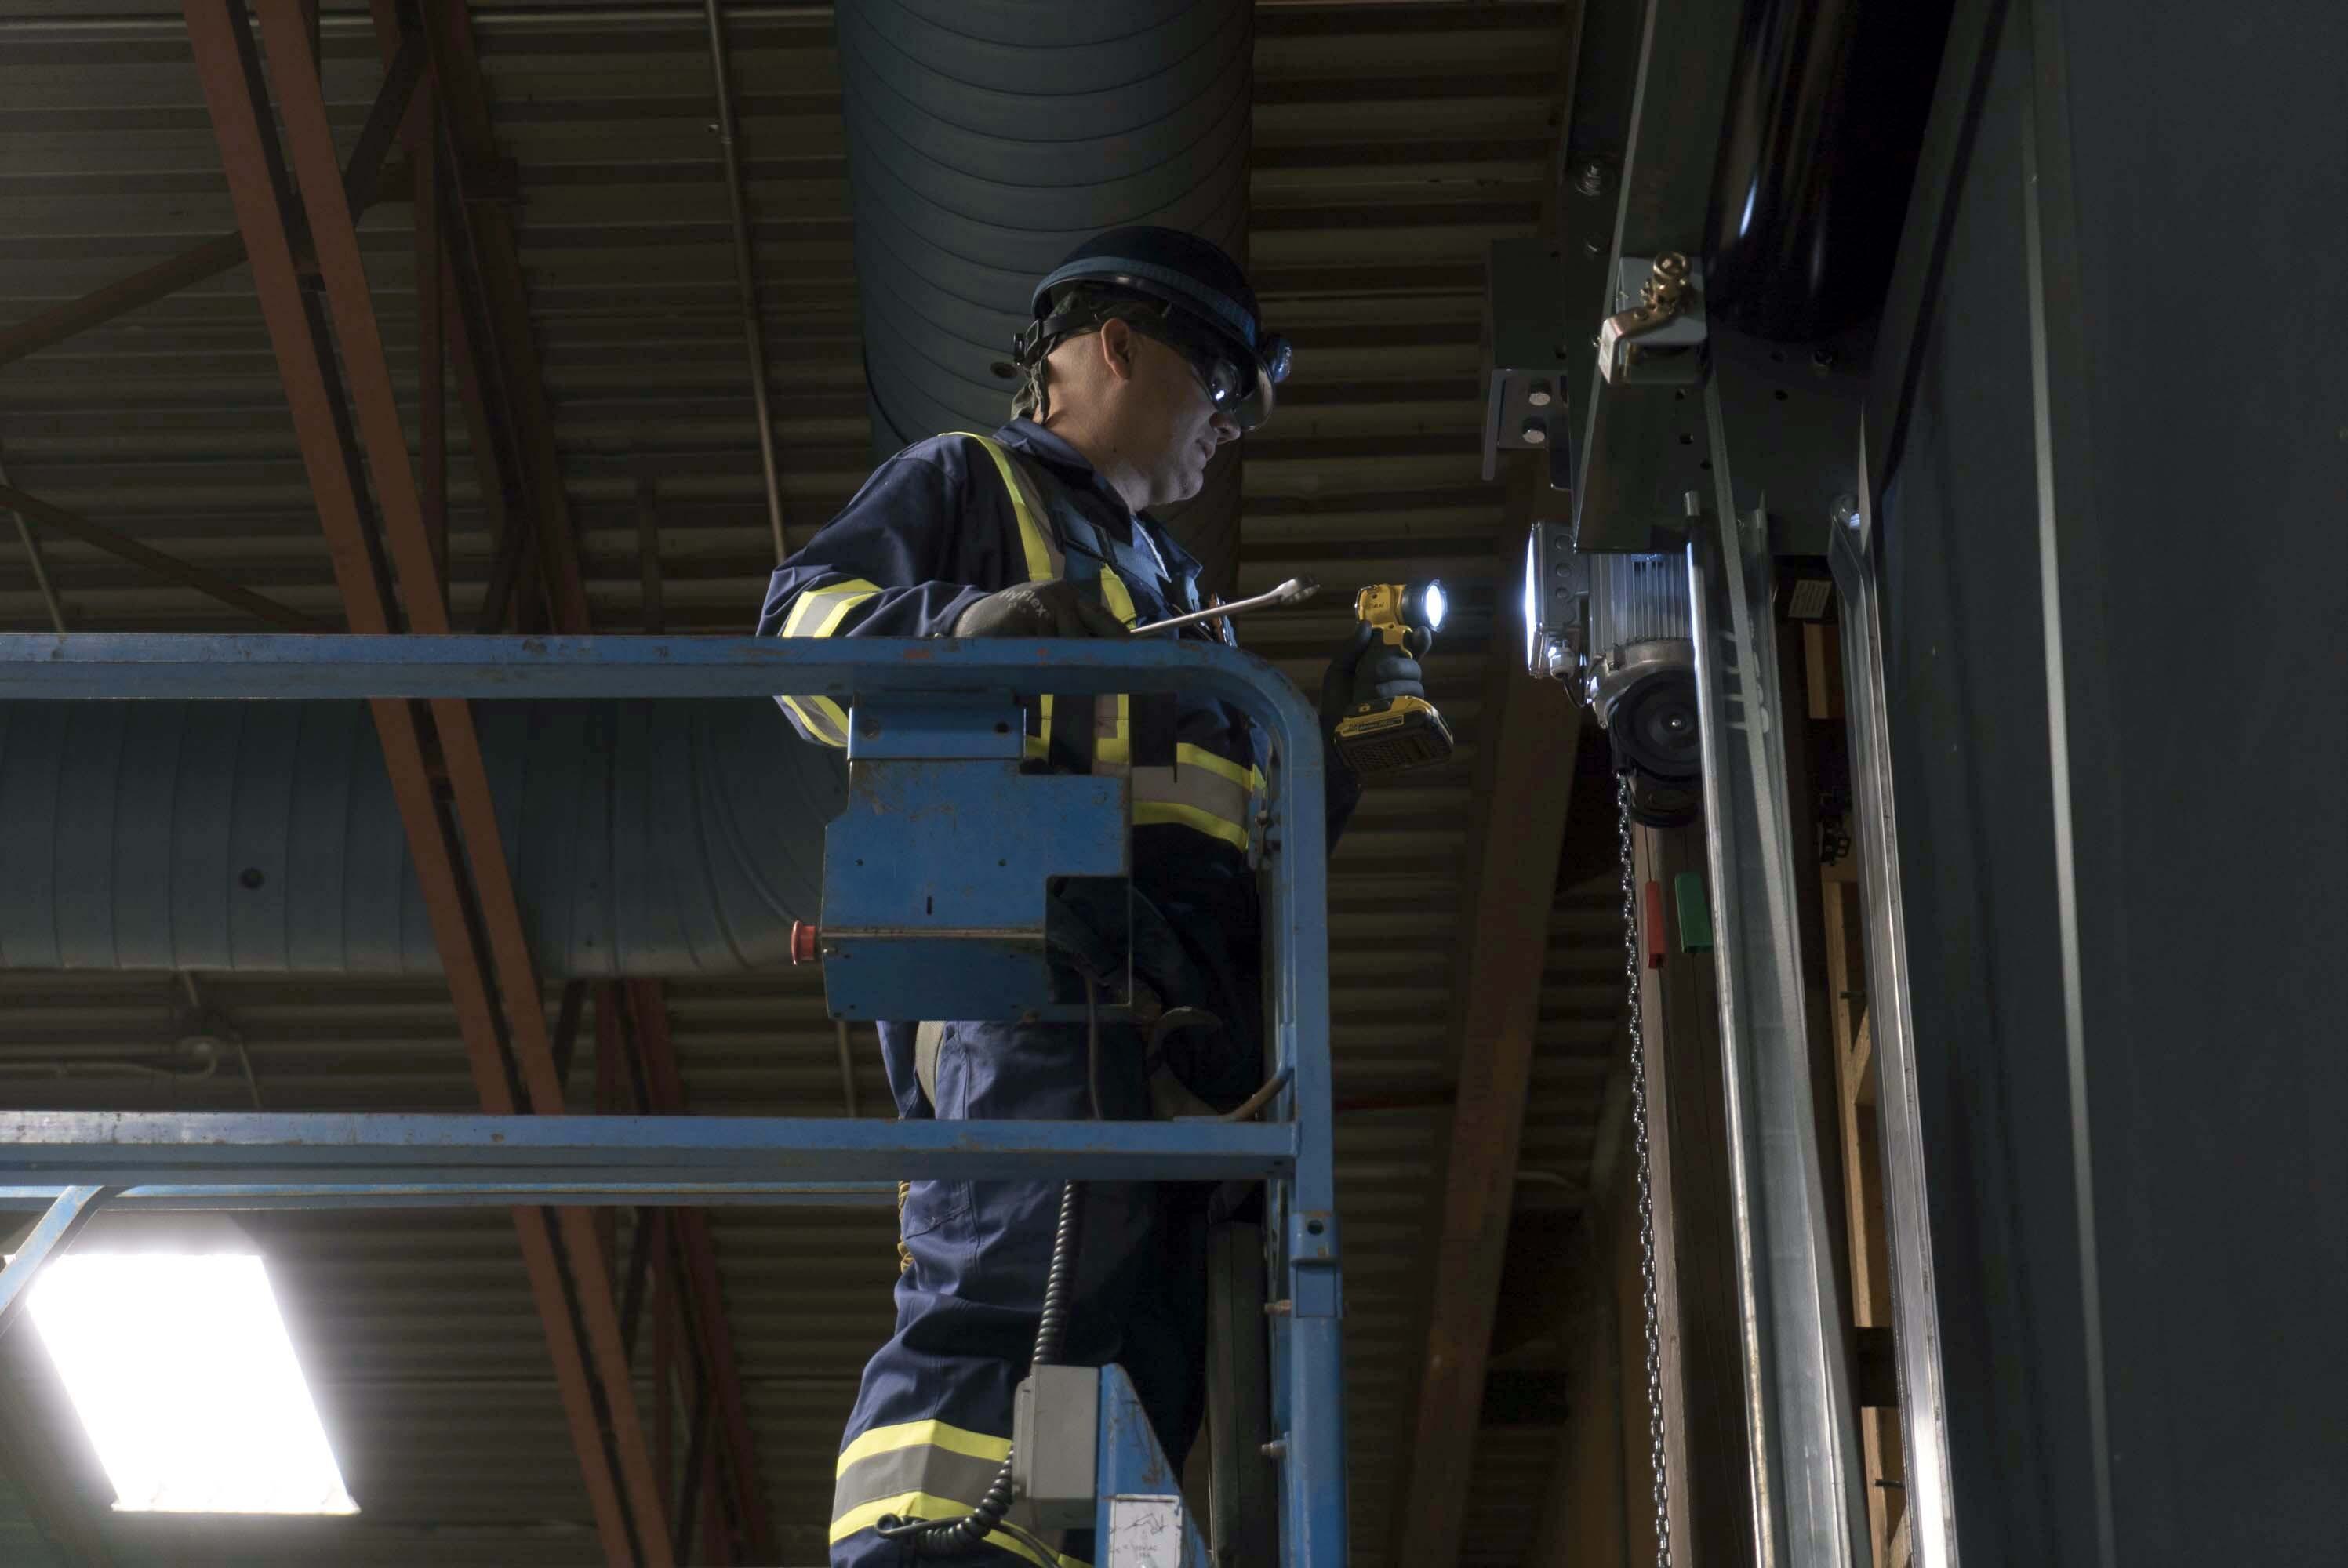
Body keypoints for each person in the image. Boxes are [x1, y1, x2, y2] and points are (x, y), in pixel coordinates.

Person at [759, 227, 1424, 1566]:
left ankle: (1054, 1544)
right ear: (1118, 346)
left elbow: (1226, 851)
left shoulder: (1182, 597)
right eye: (1221, 387)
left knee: (1137, 1342)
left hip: (1181, 1020)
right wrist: (956, 635)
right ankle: (922, 1535)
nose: (1229, 429)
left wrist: (1327, 759)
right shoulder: (969, 481)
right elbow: (798, 634)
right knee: (1019, 1277)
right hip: (1034, 974)